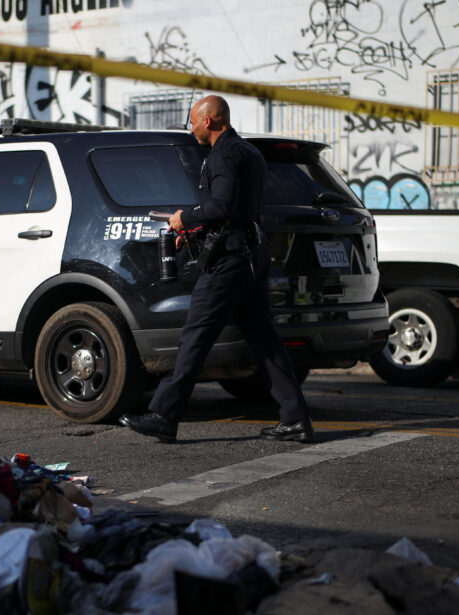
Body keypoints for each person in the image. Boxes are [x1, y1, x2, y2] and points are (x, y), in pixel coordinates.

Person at [119, 94, 313, 444]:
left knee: (196, 334)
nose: (190, 127)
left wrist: (185, 218)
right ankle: (295, 419)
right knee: (264, 340)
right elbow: (235, 207)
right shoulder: (249, 152)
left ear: (208, 121)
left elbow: (221, 205)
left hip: (230, 261)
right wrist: (196, 230)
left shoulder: (222, 154)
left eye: (193, 121)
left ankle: (164, 414)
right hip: (252, 254)